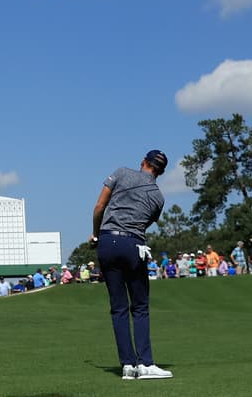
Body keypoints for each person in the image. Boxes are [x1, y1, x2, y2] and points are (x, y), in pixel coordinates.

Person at [90, 148, 174, 381]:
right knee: (139, 306)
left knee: (118, 308)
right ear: (161, 172)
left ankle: (127, 365)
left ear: (143, 162)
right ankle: (145, 363)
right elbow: (143, 223)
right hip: (133, 245)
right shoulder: (159, 197)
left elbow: (99, 207)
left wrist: (96, 235)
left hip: (107, 241)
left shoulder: (121, 173)